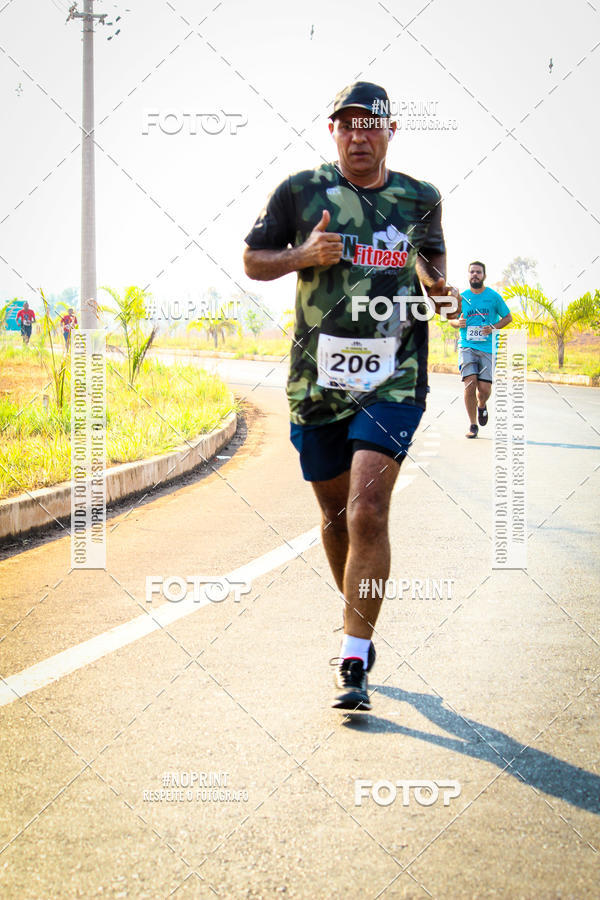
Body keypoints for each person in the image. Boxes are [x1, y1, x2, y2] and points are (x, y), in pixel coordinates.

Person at [243, 81, 460, 712]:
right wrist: (302, 254)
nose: (359, 135)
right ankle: (355, 617)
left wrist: (443, 294)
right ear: (332, 130)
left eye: (371, 124)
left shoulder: (419, 197)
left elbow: (431, 262)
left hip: (394, 373)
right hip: (317, 379)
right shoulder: (299, 191)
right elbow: (254, 259)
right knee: (336, 515)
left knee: (368, 509)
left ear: (392, 130)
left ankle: (353, 655)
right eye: (347, 124)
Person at [449, 262, 513, 438]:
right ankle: (472, 425)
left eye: (478, 272)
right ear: (468, 275)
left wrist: (493, 326)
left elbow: (508, 317)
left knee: (484, 390)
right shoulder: (461, 298)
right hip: (467, 346)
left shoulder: (493, 297)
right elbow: (451, 319)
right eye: (472, 272)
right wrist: (458, 323)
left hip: (488, 348)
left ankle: (482, 405)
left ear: (484, 275)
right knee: (469, 383)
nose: (475, 275)